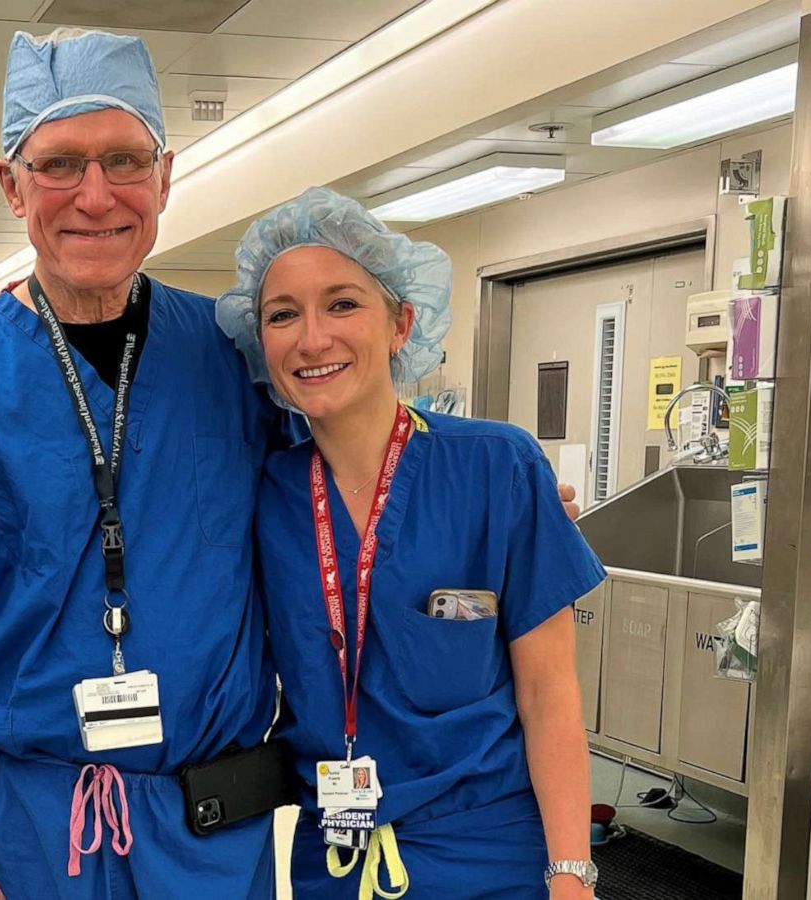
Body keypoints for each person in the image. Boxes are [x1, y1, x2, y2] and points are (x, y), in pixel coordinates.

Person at [0, 28, 282, 900]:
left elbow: (349, 487)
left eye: (124, 161)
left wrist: (489, 498)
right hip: (26, 836)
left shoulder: (233, 356)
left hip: (213, 836)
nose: (95, 196)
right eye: (61, 164)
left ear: (166, 176)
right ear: (11, 184)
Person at [216, 188, 605, 900]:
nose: (312, 338)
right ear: (258, 341)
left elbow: (551, 694)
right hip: (331, 851)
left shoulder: (497, 467)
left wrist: (571, 873)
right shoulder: (263, 493)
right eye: (282, 315)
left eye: (342, 303)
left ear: (401, 323)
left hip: (487, 852)